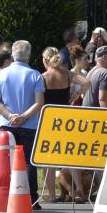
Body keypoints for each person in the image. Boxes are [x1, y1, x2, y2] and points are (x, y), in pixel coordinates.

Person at [0, 40, 46, 207]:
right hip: (29, 124)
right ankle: (31, 198)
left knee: (6, 160)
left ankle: (5, 195)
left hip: (6, 123)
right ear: (29, 56)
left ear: (12, 55)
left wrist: (10, 115)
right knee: (29, 161)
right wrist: (23, 117)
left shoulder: (0, 75)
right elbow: (39, 103)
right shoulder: (35, 75)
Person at [39, 47, 72, 202]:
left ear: (45, 60)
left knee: (48, 159)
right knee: (69, 155)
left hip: (48, 118)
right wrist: (73, 96)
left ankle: (52, 195)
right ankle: (76, 190)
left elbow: (38, 100)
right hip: (65, 118)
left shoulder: (43, 77)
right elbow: (86, 83)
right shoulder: (66, 75)